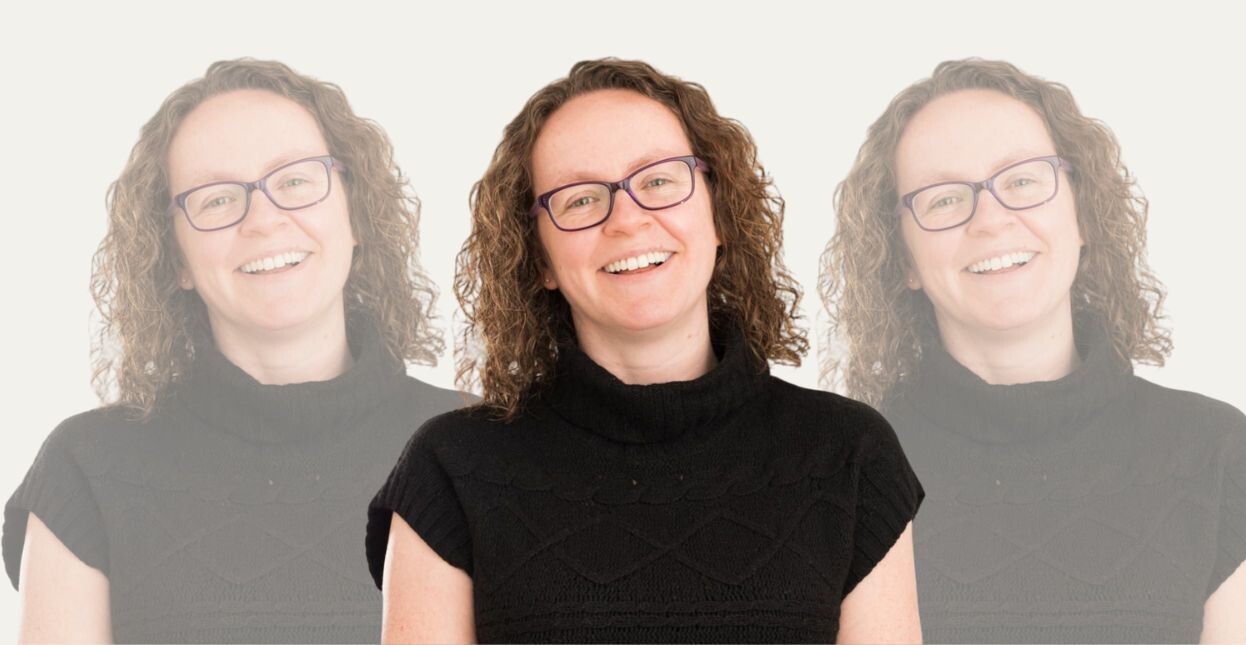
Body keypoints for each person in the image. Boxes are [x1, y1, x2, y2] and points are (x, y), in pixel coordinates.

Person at [366, 58, 925, 644]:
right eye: (580, 200)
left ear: (719, 214)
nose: (628, 220)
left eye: (658, 180)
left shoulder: (850, 454)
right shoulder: (451, 467)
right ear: (539, 259)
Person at [820, 58, 1246, 643]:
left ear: (1082, 214)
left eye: (1022, 181)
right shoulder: (843, 469)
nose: (991, 220)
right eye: (943, 199)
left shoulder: (1213, 453)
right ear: (903, 259)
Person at [2, 59, 462, 643]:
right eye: (217, 200)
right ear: (175, 257)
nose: (263, 220)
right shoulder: (85, 467)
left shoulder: (479, 444)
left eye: (294, 181)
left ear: (357, 215)